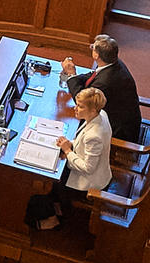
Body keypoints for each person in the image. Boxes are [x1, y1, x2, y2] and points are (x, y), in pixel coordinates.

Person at [33, 86, 114, 233]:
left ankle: (54, 218)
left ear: (93, 110)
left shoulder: (94, 136)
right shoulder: (101, 115)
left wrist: (68, 151)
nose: (75, 109)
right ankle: (57, 207)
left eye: (80, 106)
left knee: (50, 178)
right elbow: (82, 140)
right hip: (94, 168)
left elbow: (88, 167)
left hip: (89, 181)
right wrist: (70, 143)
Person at [64, 35, 142, 142]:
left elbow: (83, 101)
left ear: (96, 55)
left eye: (93, 47)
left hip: (118, 130)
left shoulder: (105, 82)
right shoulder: (113, 63)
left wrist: (71, 75)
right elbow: (93, 75)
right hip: (121, 116)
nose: (90, 47)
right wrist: (75, 78)